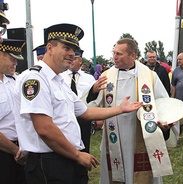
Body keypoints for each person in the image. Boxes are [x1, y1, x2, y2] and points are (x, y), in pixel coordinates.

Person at [13, 23, 143, 184]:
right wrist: (77, 155)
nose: (72, 54)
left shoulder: (59, 81)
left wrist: (120, 109)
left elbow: (85, 112)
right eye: (66, 48)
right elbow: (44, 128)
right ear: (50, 47)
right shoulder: (35, 79)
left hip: (66, 159)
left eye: (74, 50)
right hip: (49, 163)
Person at [88, 38, 173, 184]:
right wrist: (94, 91)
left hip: (141, 134)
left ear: (132, 55)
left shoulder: (150, 76)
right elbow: (89, 106)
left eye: (119, 54)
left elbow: (163, 105)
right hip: (114, 134)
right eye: (114, 53)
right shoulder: (106, 76)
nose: (114, 57)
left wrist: (165, 125)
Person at [60, 49, 97, 183]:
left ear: (80, 61)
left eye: (74, 58)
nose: (71, 61)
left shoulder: (89, 78)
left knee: (83, 144)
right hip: (67, 118)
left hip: (84, 117)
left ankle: (82, 173)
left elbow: (94, 99)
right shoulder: (61, 77)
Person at [0, 39, 27, 184]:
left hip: (20, 149)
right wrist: (15, 150)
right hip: (5, 151)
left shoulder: (13, 82)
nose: (15, 63)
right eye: (12, 59)